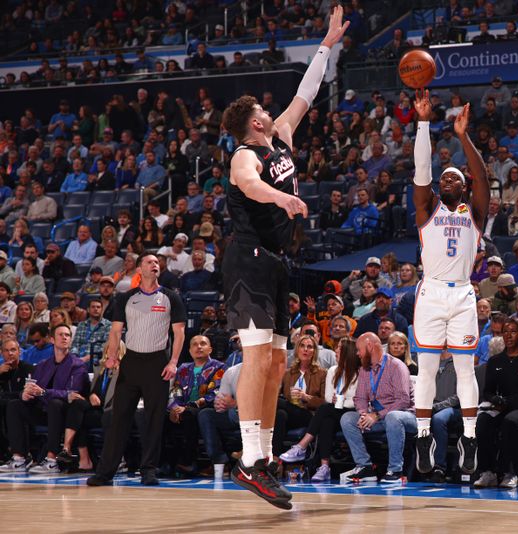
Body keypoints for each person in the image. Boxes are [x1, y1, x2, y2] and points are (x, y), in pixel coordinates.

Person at [216, 7, 347, 508]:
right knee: (256, 356)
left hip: (275, 261)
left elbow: (306, 95)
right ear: (253, 121)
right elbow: (250, 185)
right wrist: (284, 198)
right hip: (247, 259)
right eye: (262, 112)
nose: (272, 113)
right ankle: (249, 460)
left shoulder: (283, 137)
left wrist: (326, 45)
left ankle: (265, 459)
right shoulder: (244, 154)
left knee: (275, 363)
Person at [411, 89, 489, 476]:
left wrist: (462, 136)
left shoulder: (474, 214)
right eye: (443, 177)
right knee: (425, 370)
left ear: (463, 187)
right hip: (431, 291)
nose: (445, 179)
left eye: (453, 177)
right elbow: (422, 171)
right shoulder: (426, 210)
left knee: (465, 371)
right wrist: (424, 124)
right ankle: (423, 436)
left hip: (462, 295)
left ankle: (469, 437)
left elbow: (485, 178)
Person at [86, 254, 186, 488]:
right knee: (118, 418)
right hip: (130, 362)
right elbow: (115, 331)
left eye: (156, 262)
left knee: (153, 420)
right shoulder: (126, 298)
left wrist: (173, 362)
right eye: (149, 262)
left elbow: (179, 333)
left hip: (157, 363)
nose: (154, 265)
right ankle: (105, 472)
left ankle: (149, 470)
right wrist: (111, 357)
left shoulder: (171, 297)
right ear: (140, 268)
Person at [0, 325, 88, 474]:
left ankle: (52, 459)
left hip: (66, 413)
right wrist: (25, 394)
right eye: (60, 335)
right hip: (43, 409)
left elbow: (72, 394)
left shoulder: (78, 365)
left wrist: (43, 393)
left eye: (67, 335)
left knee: (55, 404)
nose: (64, 337)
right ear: (52, 340)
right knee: (15, 405)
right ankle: (19, 458)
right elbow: (34, 387)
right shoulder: (42, 365)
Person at [473, 318, 518, 489]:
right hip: (500, 406)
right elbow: (487, 391)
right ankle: (487, 472)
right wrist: (495, 400)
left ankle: (509, 472)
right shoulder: (495, 361)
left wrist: (508, 402)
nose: (508, 335)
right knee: (483, 421)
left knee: (510, 421)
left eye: (513, 331)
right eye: (505, 331)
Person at [279, 337, 360, 482]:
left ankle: (302, 446)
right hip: (332, 411)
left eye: (339, 348)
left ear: (347, 352)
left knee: (324, 409)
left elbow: (356, 400)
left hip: (350, 412)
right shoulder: (333, 370)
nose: (335, 351)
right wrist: (336, 400)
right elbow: (329, 397)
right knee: (326, 421)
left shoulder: (358, 373)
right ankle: (324, 467)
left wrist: (341, 400)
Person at [340, 332, 416, 482]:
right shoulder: (364, 369)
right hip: (379, 417)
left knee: (393, 417)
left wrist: (376, 415)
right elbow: (360, 397)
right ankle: (365, 467)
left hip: (405, 416)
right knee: (348, 418)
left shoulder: (396, 366)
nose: (357, 353)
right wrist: (363, 414)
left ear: (369, 346)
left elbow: (403, 400)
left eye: (359, 349)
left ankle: (395, 470)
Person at [56, 340, 124, 473]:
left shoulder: (126, 370)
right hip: (98, 410)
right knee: (77, 407)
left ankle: (114, 458)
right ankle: (71, 452)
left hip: (115, 411)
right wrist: (92, 394)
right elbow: (93, 391)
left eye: (114, 349)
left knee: (83, 417)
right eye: (108, 349)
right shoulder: (100, 369)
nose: (110, 352)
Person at [164, 335, 226, 475]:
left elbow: (216, 391)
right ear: (190, 350)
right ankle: (165, 463)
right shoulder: (184, 368)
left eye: (203, 344)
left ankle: (189, 462)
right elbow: (176, 390)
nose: (199, 347)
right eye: (195, 344)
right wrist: (174, 408)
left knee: (189, 414)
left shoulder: (219, 367)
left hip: (206, 408)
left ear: (210, 349)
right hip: (182, 407)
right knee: (161, 417)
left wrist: (188, 406)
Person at [0, 339, 35, 456]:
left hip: (25, 406)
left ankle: (20, 453)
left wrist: (5, 396)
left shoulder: (28, 369)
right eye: (6, 350)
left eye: (13, 350)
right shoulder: (2, 371)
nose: (10, 353)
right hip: (5, 406)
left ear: (19, 352)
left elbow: (26, 393)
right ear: (1, 353)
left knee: (11, 405)